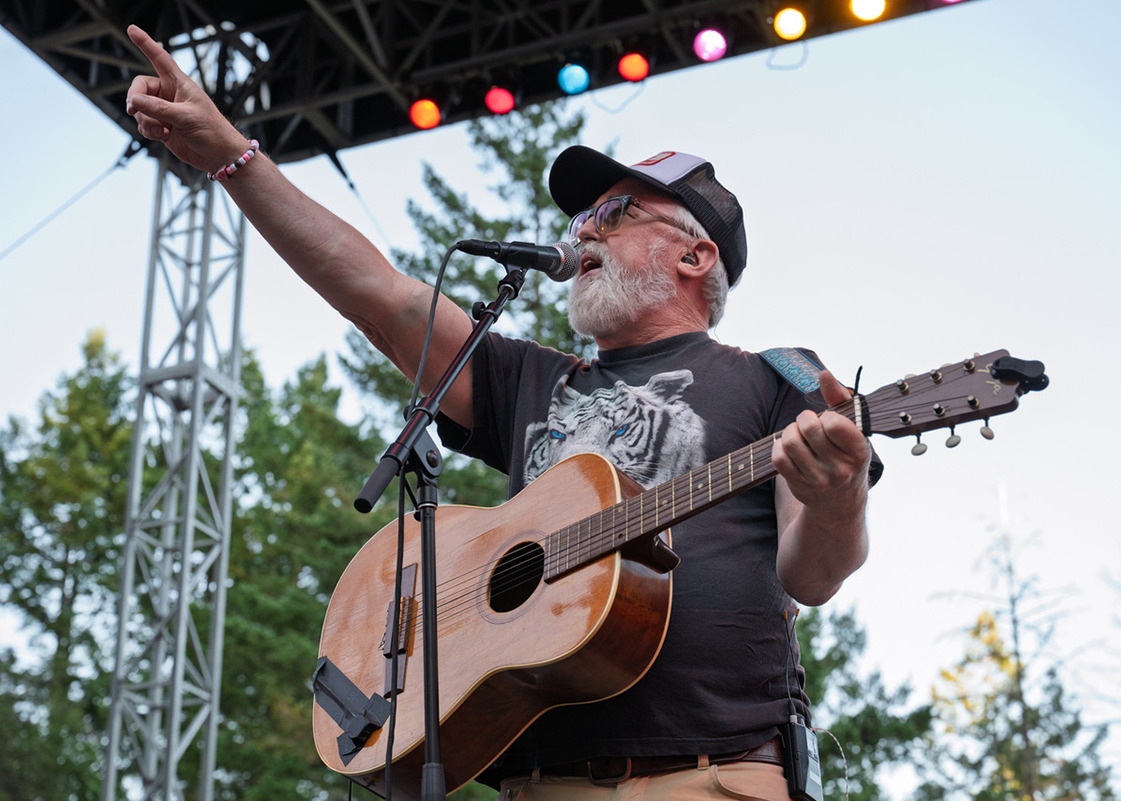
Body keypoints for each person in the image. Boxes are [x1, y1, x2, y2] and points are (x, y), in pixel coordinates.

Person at [125, 22, 880, 801]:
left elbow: (815, 573)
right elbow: (382, 297)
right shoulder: (531, 378)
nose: (582, 229)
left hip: (711, 776)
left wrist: (837, 496)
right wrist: (232, 157)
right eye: (580, 218)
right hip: (537, 783)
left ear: (695, 255)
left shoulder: (779, 376)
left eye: (614, 213)